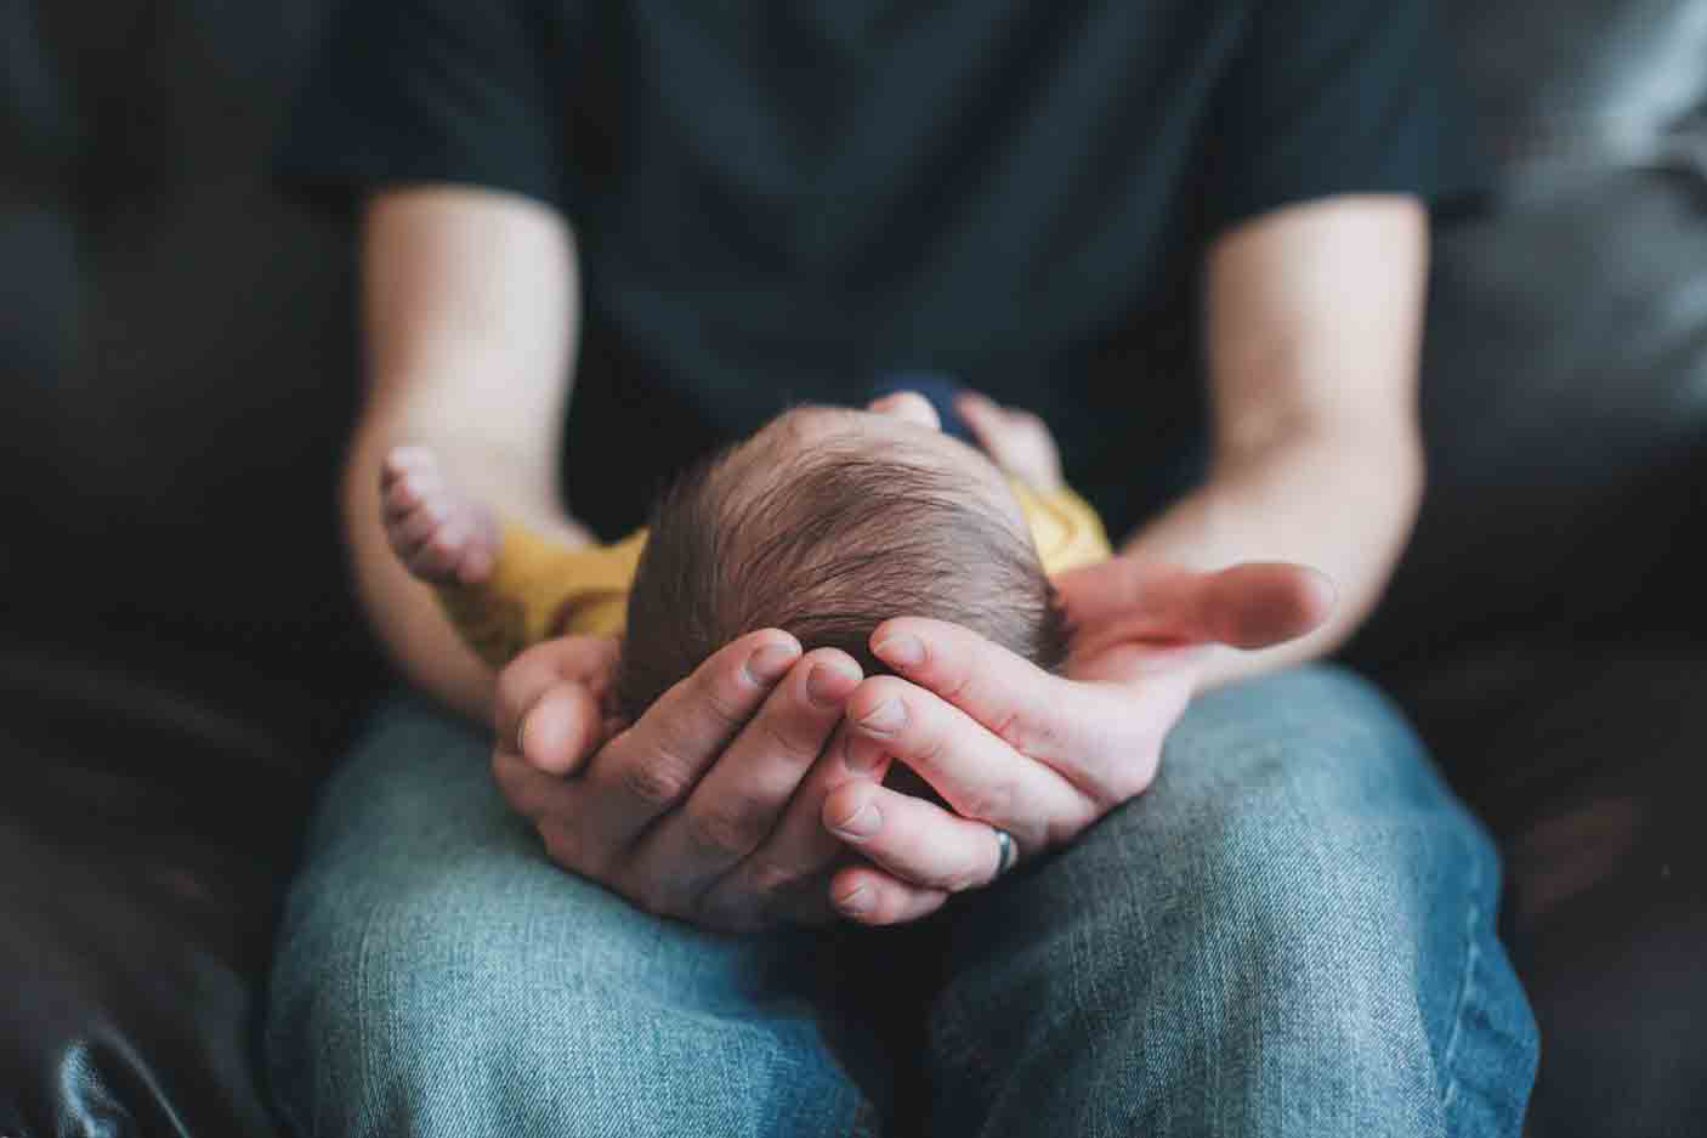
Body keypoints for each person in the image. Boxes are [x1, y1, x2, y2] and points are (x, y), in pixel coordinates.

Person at [266, 0, 1540, 1133]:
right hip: (622, 638)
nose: (893, 404)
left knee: (1294, 949)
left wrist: (1131, 660)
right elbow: (455, 425)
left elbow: (1319, 434)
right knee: (461, 1001)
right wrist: (543, 686)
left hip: (1141, 650)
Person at [381, 395, 1110, 719]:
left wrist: (472, 557)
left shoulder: (609, 606)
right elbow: (1076, 526)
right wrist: (1034, 476)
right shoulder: (1049, 550)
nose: (900, 402)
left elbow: (517, 602)